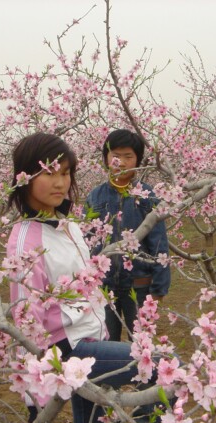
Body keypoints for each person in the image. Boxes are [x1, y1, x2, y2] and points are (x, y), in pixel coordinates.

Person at [6, 132, 182, 423]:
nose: (60, 183)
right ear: (25, 177)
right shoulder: (26, 238)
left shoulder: (69, 226)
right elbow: (25, 315)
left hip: (89, 340)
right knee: (164, 367)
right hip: (68, 351)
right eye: (49, 173)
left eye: (65, 173)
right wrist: (32, 391)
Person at [85, 129, 170, 342]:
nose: (121, 163)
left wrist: (158, 288)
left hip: (139, 284)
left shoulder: (148, 196)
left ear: (138, 161)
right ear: (105, 158)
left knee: (141, 344)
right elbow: (87, 241)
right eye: (115, 155)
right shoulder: (95, 196)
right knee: (104, 342)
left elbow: (159, 244)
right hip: (103, 285)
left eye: (128, 156)